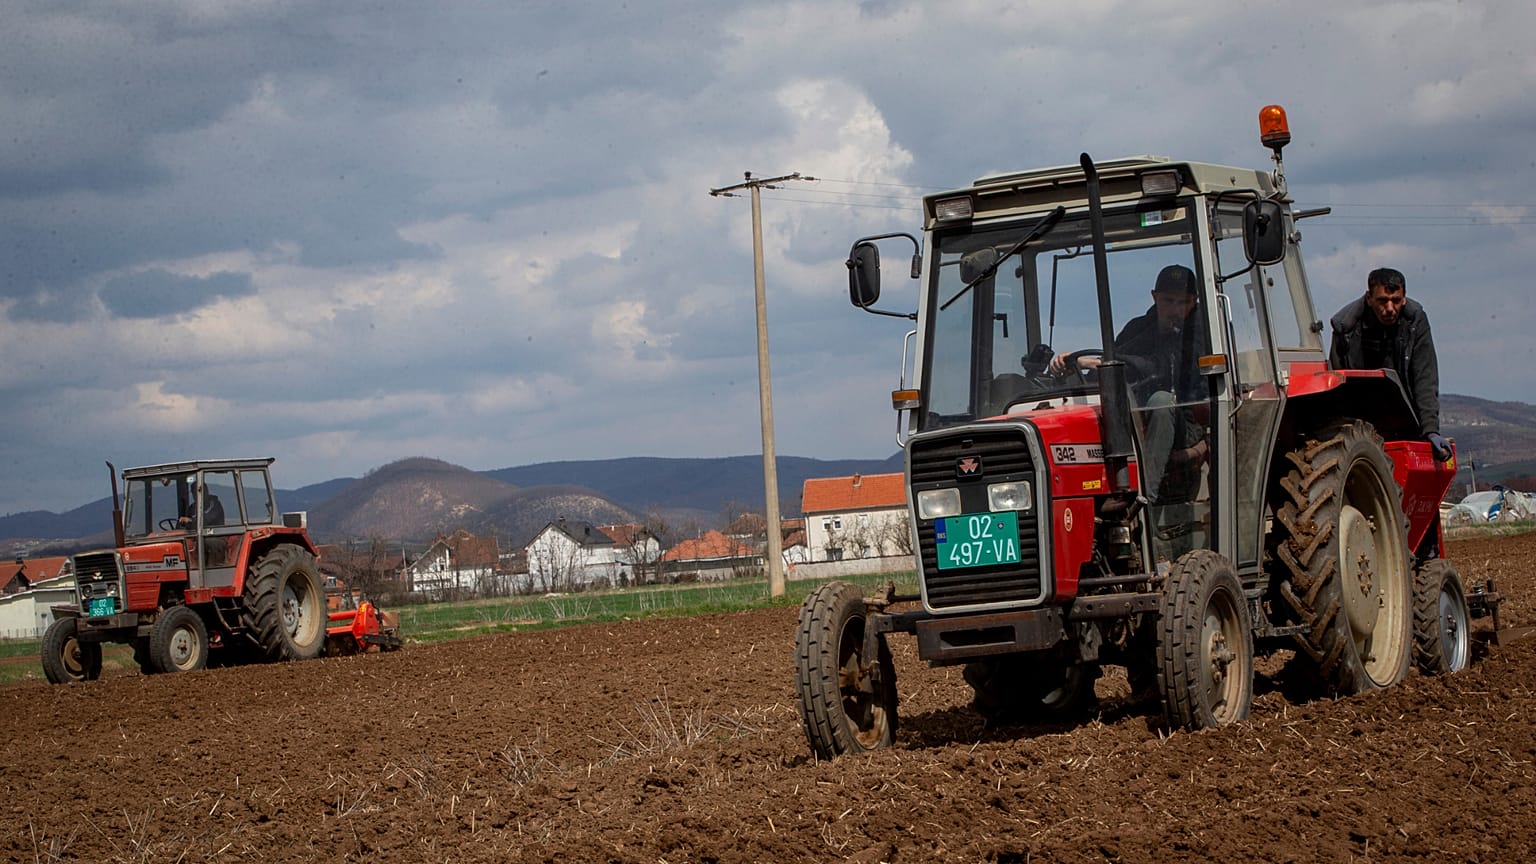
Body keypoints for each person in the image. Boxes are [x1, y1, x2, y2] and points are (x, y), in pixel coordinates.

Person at [1049, 264, 1210, 503]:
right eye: (1168, 301)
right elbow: (1112, 365)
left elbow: (1164, 367)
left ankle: (1145, 498)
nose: (1175, 309)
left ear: (1195, 301)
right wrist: (1071, 368)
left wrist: (1096, 363)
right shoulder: (1137, 328)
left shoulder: (1200, 332)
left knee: (1161, 400)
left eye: (1183, 302)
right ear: (1154, 297)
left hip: (1184, 422)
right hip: (1133, 418)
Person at [1328, 267, 1449, 461]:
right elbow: (1338, 385)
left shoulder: (1415, 322)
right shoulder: (1345, 328)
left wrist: (1430, 431)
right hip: (1361, 423)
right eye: (1383, 301)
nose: (1390, 308)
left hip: (1405, 415)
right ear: (1369, 298)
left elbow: (1424, 377)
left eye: (1396, 300)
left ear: (1404, 298)